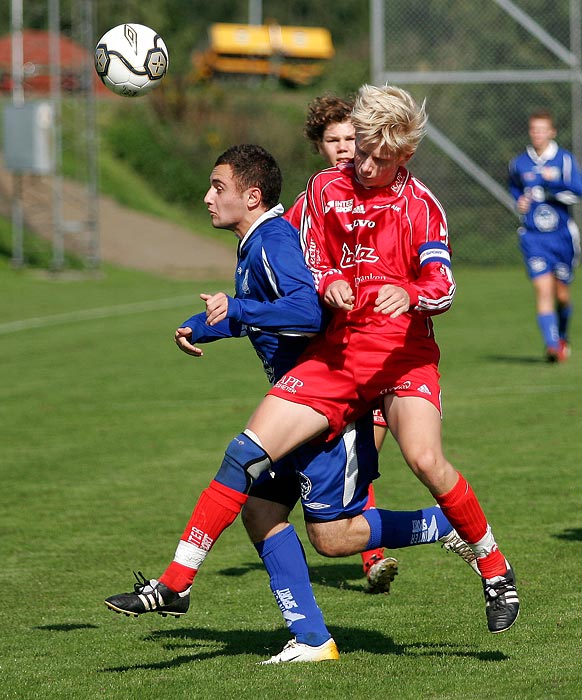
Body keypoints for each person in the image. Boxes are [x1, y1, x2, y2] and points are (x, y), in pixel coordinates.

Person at [104, 142, 478, 664]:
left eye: (218, 187)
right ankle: (310, 638)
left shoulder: (274, 241)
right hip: (298, 406)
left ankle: (176, 583)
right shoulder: (256, 242)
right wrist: (209, 325)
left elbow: (304, 313)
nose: (207, 197)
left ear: (252, 196)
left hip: (324, 410)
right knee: (265, 514)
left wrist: (233, 309)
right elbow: (267, 312)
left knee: (327, 530)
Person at [281, 93, 396, 593]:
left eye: (352, 138)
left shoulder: (386, 195)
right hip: (332, 355)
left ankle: (374, 552)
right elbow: (283, 254)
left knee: (362, 457)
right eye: (334, 140)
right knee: (353, 461)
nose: (345, 148)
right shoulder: (312, 200)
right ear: (319, 146)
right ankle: (373, 558)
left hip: (384, 351)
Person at [508, 109, 582, 362]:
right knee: (543, 290)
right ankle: (552, 346)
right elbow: (514, 186)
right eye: (534, 130)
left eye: (543, 130)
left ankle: (562, 335)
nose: (538, 134)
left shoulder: (564, 160)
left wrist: (553, 183)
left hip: (561, 237)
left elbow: (578, 191)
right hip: (533, 237)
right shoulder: (520, 162)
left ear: (552, 132)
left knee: (562, 294)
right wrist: (519, 201)